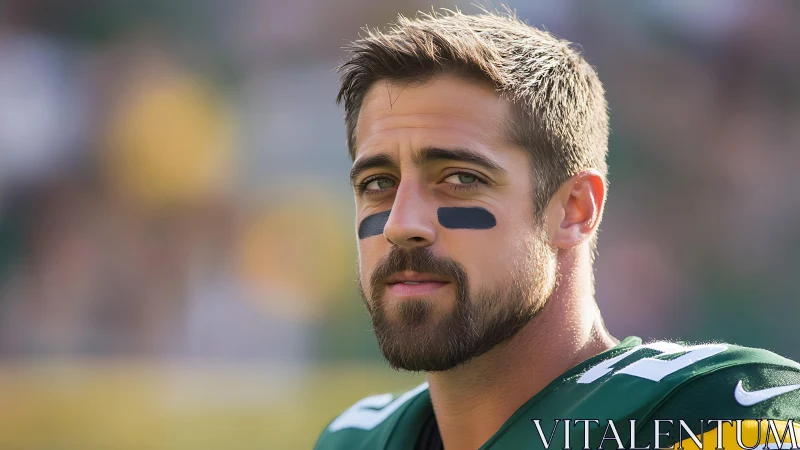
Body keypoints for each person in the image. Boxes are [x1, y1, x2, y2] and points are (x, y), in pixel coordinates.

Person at [315, 9, 800, 450]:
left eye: (461, 179)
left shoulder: (707, 414)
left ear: (574, 209)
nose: (402, 224)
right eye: (378, 183)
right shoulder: (354, 439)